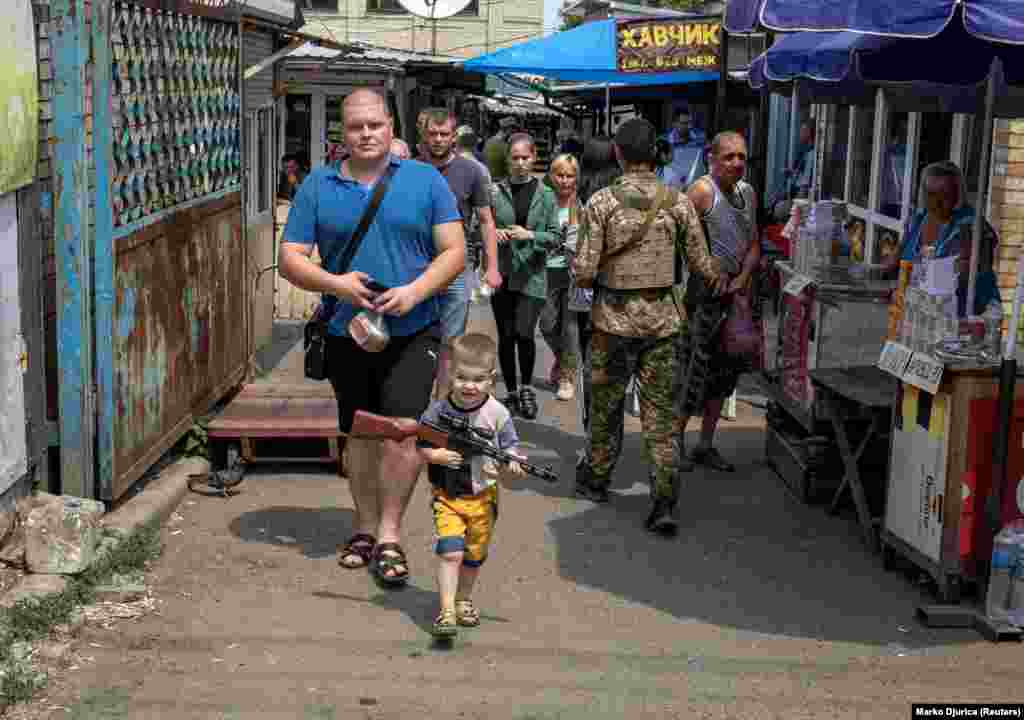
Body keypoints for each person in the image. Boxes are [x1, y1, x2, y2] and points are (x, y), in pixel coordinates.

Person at [277, 87, 465, 587]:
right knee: (360, 432)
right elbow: (290, 258)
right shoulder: (318, 186)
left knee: (403, 428)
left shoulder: (425, 181)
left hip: (413, 327)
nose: (365, 134)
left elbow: (454, 252)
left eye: (375, 125)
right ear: (342, 133)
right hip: (348, 331)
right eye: (356, 126)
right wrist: (335, 284)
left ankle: (389, 534)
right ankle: (362, 526)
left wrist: (414, 291)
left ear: (391, 127)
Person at [573, 118, 718, 535]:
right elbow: (703, 267)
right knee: (659, 415)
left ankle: (597, 480)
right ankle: (664, 500)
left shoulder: (601, 202)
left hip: (611, 326)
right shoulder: (678, 201)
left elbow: (583, 271)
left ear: (618, 153)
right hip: (663, 327)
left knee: (606, 408)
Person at [417, 333, 526, 638]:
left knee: (473, 556)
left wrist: (514, 460)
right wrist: (435, 454)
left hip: (483, 496)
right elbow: (420, 441)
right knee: (450, 552)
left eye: (478, 380)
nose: (469, 386)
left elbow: (511, 446)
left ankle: (464, 599)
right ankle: (447, 610)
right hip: (447, 495)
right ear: (451, 373)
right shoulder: (439, 411)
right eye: (462, 377)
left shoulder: (498, 414)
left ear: (491, 379)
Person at [678, 131, 761, 474]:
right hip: (703, 299)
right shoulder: (701, 191)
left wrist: (743, 278)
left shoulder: (748, 192)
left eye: (742, 156)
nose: (737, 163)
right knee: (691, 372)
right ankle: (675, 442)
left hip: (737, 297)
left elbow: (754, 242)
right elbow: (676, 234)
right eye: (729, 157)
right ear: (712, 159)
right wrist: (705, 269)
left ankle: (706, 444)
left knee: (724, 377)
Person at [420, 108, 502, 398]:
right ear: (424, 135)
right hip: (416, 265)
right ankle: (415, 398)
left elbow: (486, 220)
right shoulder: (410, 169)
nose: (439, 139)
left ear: (454, 137)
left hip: (457, 267)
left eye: (444, 134)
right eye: (433, 133)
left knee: (450, 340)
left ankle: (439, 406)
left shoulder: (472, 172)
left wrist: (492, 267)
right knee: (416, 337)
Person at [490, 132, 561, 420]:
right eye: (515, 157)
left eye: (525, 157)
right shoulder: (495, 192)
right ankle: (509, 392)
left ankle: (527, 388)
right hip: (503, 273)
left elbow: (556, 236)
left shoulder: (545, 195)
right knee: (506, 336)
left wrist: (530, 234)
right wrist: (493, 233)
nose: (520, 163)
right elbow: (477, 229)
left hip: (532, 274)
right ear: (508, 160)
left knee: (524, 333)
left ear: (534, 158)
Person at [884, 161, 999, 314]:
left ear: (958, 195)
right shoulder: (918, 220)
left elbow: (966, 282)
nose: (936, 202)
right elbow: (894, 265)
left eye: (945, 195)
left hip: (959, 319)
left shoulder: (972, 227)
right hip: (916, 314)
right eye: (931, 194)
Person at [539, 153, 584, 401]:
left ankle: (568, 376)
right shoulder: (544, 201)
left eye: (570, 175)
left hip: (571, 274)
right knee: (546, 324)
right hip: (545, 271)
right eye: (560, 175)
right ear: (551, 176)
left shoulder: (580, 205)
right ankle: (562, 358)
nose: (565, 181)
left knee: (570, 328)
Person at [454, 125, 494, 272]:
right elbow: (488, 202)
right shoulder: (482, 168)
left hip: (460, 231)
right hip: (474, 231)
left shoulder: (452, 165)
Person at [656, 108, 706, 190]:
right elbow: (658, 168)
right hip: (670, 188)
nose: (689, 126)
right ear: (674, 124)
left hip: (693, 188)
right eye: (684, 123)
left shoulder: (700, 139)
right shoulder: (664, 141)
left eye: (690, 123)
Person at [483, 116, 519, 183]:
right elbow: (511, 170)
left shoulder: (488, 142)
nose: (514, 132)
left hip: (488, 183)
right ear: (508, 129)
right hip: (501, 185)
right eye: (513, 129)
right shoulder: (505, 146)